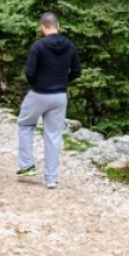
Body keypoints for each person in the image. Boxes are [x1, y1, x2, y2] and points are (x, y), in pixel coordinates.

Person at [17, 12, 82, 189]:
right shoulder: (69, 45)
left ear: (43, 27)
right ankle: (51, 178)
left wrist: (38, 83)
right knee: (53, 136)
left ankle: (26, 165)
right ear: (58, 26)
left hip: (39, 93)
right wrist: (63, 81)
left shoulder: (38, 46)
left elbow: (29, 72)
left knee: (25, 124)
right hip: (60, 95)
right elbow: (77, 71)